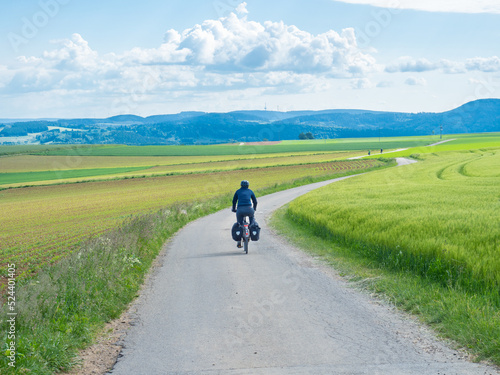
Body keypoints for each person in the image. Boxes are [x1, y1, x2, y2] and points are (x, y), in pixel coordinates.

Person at [232, 180, 257, 248]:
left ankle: (239, 242)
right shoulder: (250, 191)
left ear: (241, 185)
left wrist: (234, 209)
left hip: (240, 210)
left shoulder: (238, 191)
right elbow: (255, 201)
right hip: (249, 209)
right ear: (248, 185)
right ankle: (251, 228)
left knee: (239, 224)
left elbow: (234, 201)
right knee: (252, 221)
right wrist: (254, 209)